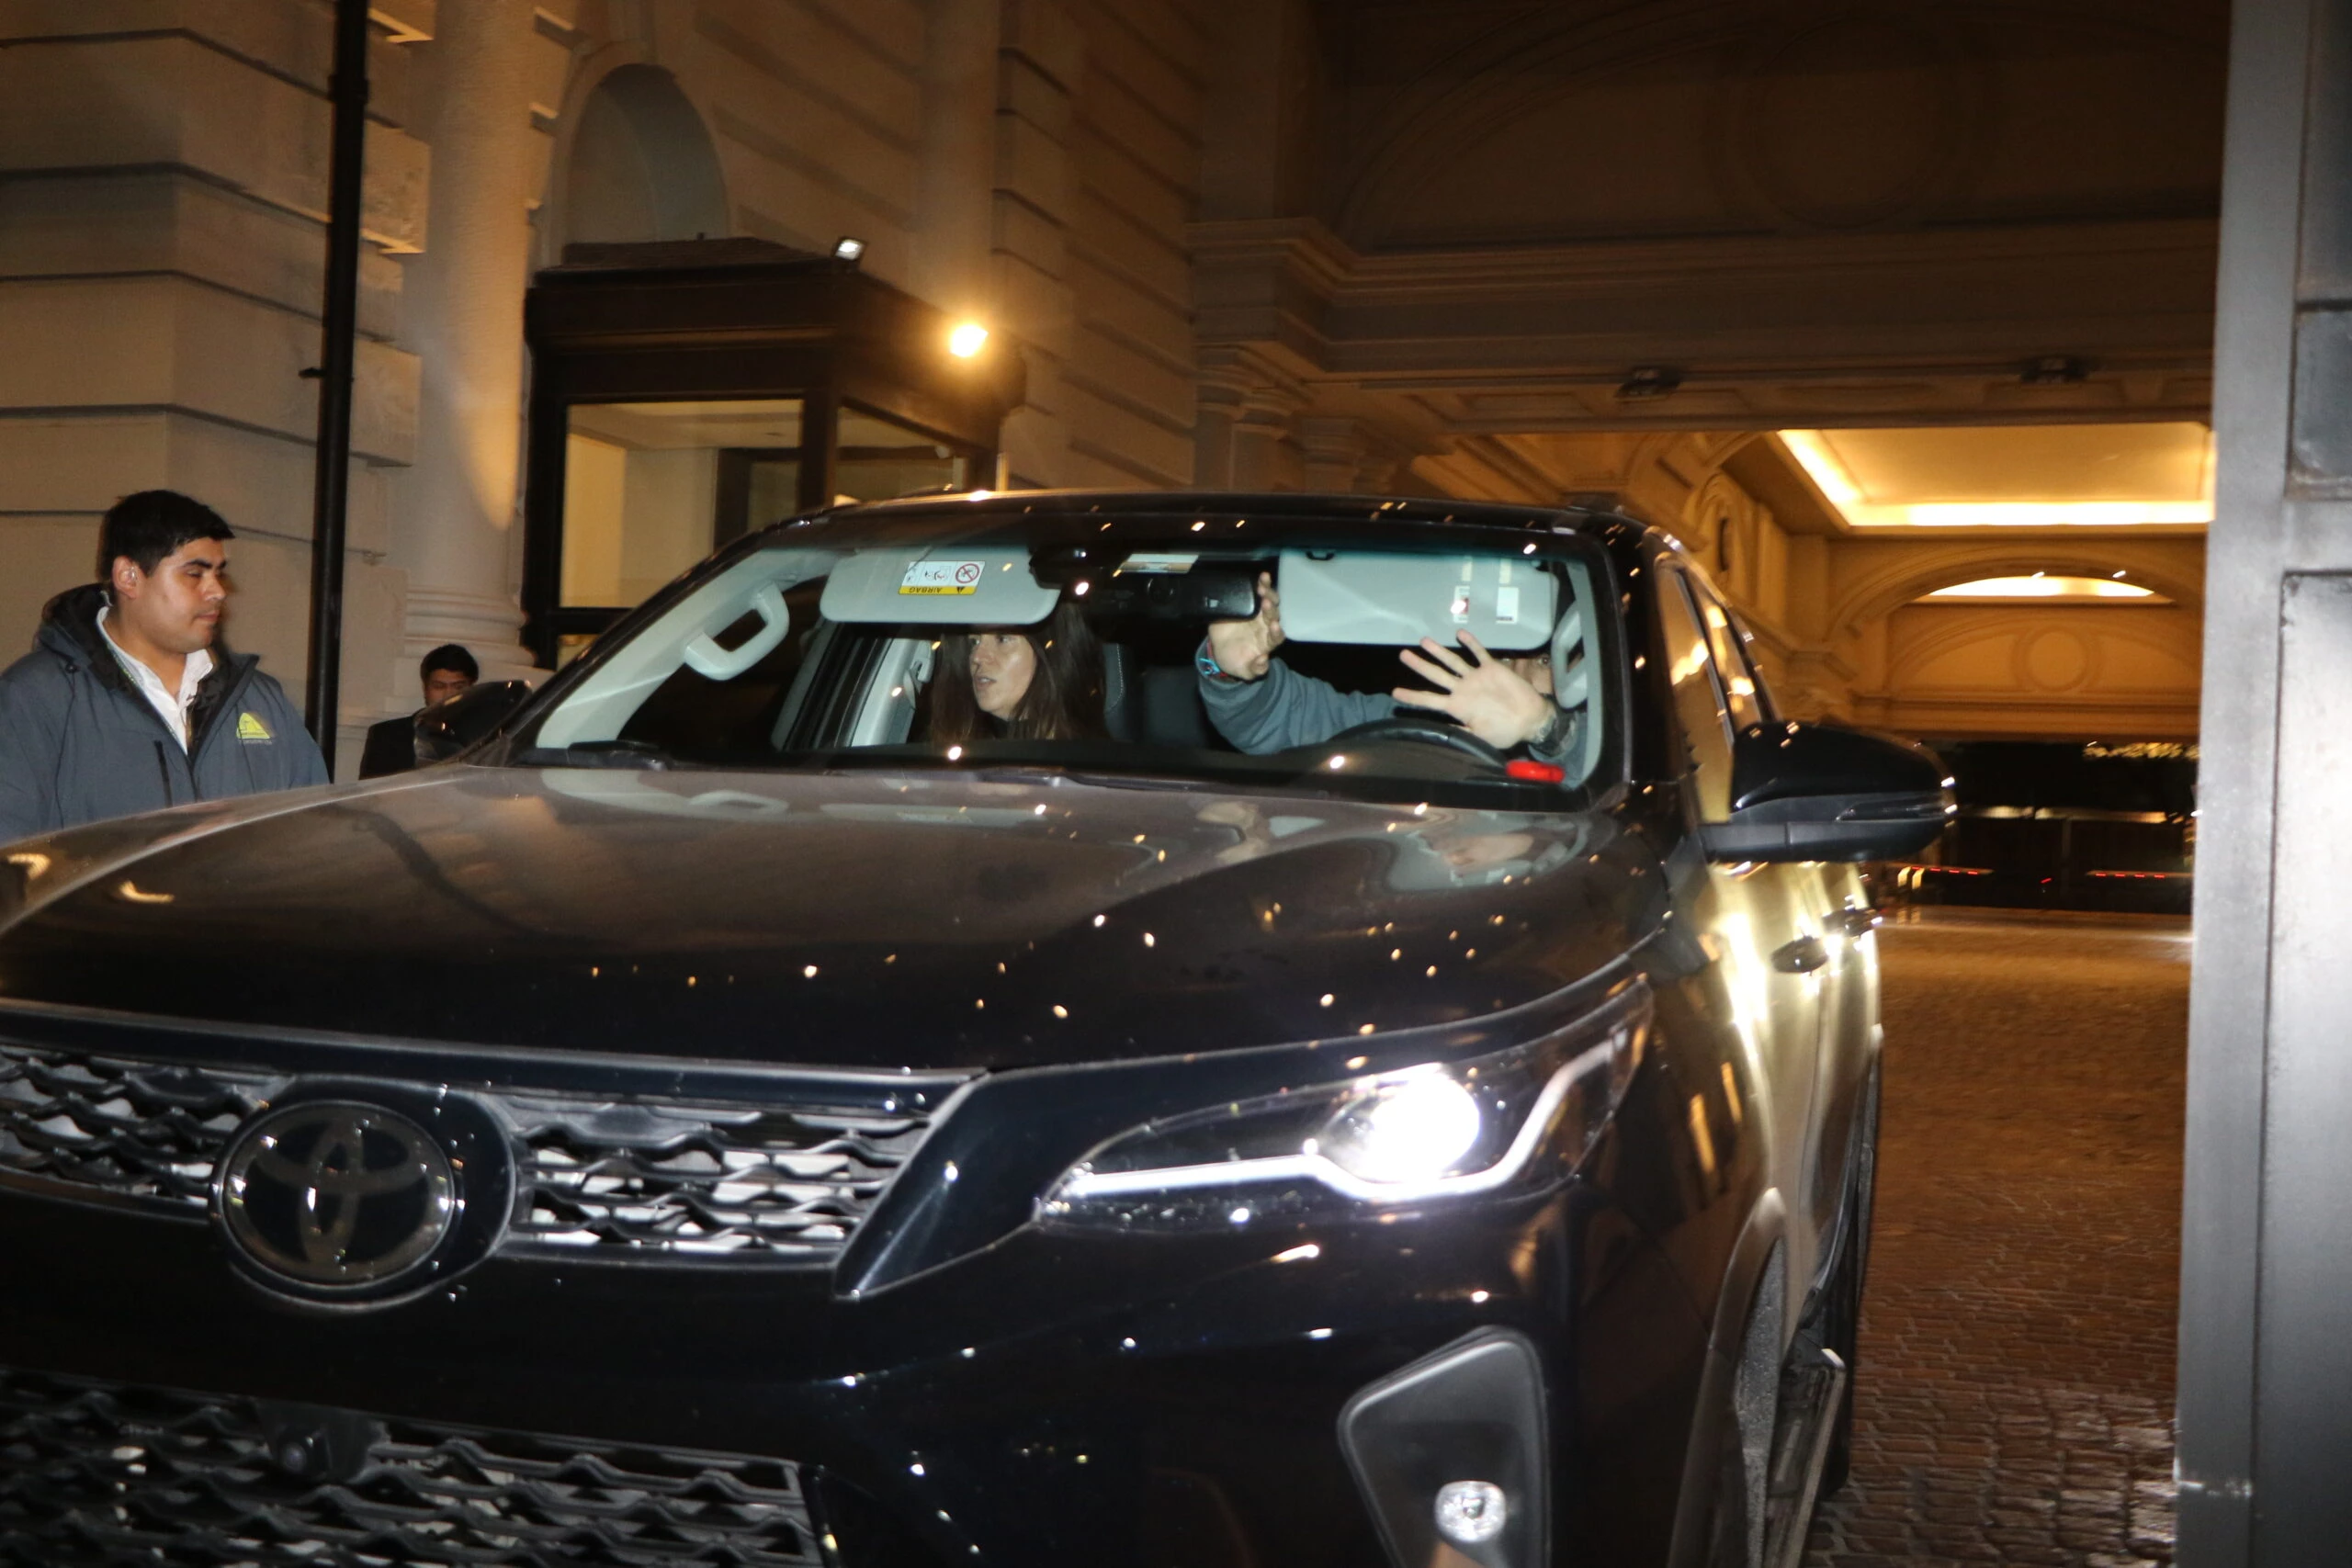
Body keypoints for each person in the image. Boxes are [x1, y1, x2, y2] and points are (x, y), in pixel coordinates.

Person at [0, 490, 327, 842]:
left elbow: (314, 840)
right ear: (129, 577)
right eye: (194, 574)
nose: (217, 591)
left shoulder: (261, 700)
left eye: (218, 573)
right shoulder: (36, 698)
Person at [1197, 571, 1573, 760]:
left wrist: (1546, 728)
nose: (1509, 676)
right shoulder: (1412, 721)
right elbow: (1279, 720)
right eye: (1501, 657)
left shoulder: (1589, 753)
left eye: (1542, 661)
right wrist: (1220, 667)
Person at [928, 599, 1105, 744]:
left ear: (1050, 653)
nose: (977, 657)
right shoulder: (949, 751)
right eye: (974, 642)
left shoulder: (1087, 764)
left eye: (1003, 639)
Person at [358, 643, 480, 779]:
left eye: (458, 687)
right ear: (425, 688)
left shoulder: (486, 737)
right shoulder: (387, 737)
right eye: (439, 686)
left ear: (472, 689)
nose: (448, 695)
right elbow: (371, 791)